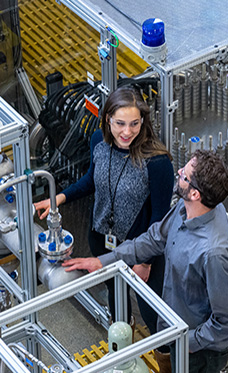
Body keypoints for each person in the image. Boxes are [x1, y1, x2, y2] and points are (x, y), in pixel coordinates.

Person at [63, 150, 228, 373]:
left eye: (185, 175)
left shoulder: (213, 252)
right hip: (178, 332)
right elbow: (152, 240)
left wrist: (189, 343)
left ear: (195, 193)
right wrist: (102, 261)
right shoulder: (185, 210)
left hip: (199, 353)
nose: (179, 172)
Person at [34, 86, 174, 334]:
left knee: (151, 310)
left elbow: (160, 220)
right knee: (115, 296)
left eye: (134, 124)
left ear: (143, 121)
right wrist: (58, 199)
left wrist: (146, 261)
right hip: (102, 239)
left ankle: (166, 360)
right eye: (120, 123)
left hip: (140, 248)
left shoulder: (157, 161)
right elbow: (91, 180)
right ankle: (122, 346)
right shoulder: (99, 142)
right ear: (108, 119)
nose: (127, 132)